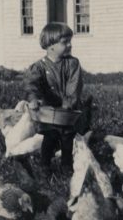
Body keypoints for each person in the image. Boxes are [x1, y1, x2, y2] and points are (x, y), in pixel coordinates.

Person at [25, 22, 83, 171]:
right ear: (51, 45)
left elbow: (74, 85)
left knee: (67, 138)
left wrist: (68, 102)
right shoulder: (38, 67)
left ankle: (66, 167)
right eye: (65, 42)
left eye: (70, 41)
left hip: (66, 112)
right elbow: (32, 84)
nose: (70, 45)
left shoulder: (72, 64)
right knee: (49, 137)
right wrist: (33, 99)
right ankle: (45, 167)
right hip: (47, 112)